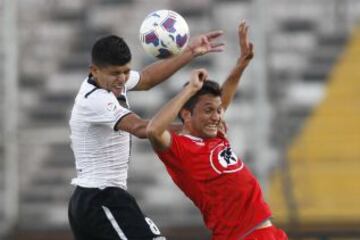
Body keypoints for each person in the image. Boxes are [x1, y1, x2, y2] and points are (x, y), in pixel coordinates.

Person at [68, 31, 224, 240]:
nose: (122, 79)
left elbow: (148, 78)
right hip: (101, 198)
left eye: (126, 71)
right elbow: (143, 128)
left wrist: (190, 52)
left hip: (97, 199)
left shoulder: (109, 81)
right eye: (116, 73)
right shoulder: (95, 100)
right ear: (94, 70)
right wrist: (195, 126)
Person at [146, 22, 288, 240]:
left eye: (218, 111)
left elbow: (224, 96)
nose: (217, 116)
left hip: (267, 232)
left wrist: (241, 64)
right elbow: (154, 130)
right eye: (208, 110)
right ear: (186, 114)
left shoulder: (215, 134)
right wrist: (191, 89)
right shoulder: (180, 147)